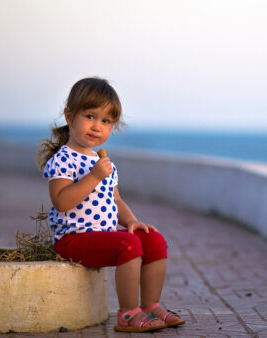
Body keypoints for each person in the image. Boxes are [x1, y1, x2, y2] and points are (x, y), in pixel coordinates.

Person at [37, 77, 185, 332]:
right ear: (70, 116)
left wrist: (131, 221)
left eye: (105, 121)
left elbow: (115, 200)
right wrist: (93, 176)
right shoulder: (64, 159)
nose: (97, 126)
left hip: (102, 236)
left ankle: (151, 305)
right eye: (90, 116)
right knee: (128, 244)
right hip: (73, 239)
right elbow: (61, 202)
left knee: (152, 239)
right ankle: (128, 313)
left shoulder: (105, 163)